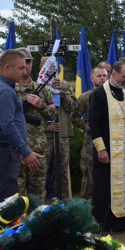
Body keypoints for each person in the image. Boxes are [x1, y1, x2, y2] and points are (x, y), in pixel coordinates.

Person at [0, 49, 41, 207]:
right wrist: (24, 151)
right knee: (3, 205)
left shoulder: (3, 86)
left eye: (25, 67)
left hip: (5, 150)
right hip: (3, 152)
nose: (24, 72)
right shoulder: (4, 91)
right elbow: (7, 126)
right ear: (7, 67)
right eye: (21, 68)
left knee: (1, 199)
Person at [89, 61, 125, 232]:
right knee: (105, 185)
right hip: (107, 149)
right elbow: (94, 123)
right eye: (124, 76)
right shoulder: (98, 94)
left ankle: (122, 222)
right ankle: (104, 222)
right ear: (114, 75)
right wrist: (101, 149)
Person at [15, 48, 57, 203]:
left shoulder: (43, 90)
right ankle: (17, 226)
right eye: (22, 62)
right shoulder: (9, 89)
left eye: (28, 61)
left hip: (38, 150)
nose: (25, 65)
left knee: (37, 194)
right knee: (16, 195)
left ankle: (36, 224)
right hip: (16, 149)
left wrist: (41, 106)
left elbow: (53, 115)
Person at [42, 56, 78, 201]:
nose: (50, 69)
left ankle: (62, 200)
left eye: (53, 66)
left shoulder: (65, 85)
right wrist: (45, 126)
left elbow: (73, 107)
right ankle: (41, 201)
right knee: (41, 171)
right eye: (46, 66)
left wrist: (61, 94)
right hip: (42, 136)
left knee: (62, 170)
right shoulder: (35, 86)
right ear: (41, 68)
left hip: (62, 134)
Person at [71, 66, 108, 199]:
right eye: (99, 76)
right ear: (92, 78)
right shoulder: (85, 97)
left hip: (110, 139)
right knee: (89, 176)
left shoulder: (112, 95)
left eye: (104, 75)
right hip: (91, 141)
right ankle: (85, 208)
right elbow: (74, 117)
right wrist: (88, 126)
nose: (102, 78)